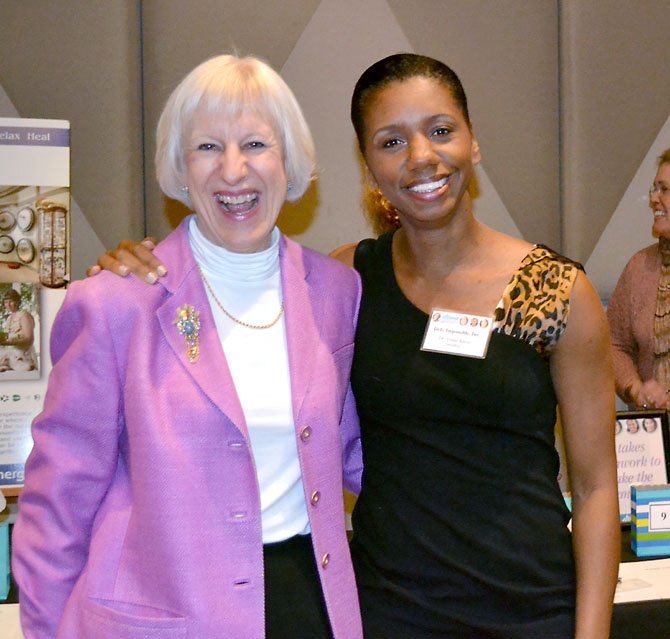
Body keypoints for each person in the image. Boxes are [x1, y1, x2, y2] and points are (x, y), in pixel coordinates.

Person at [92, 53, 620, 638]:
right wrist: (137, 268)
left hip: (531, 609)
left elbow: (596, 487)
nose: (422, 157)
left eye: (441, 131)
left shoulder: (555, 291)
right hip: (388, 610)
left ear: (474, 144)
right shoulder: (346, 284)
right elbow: (229, 300)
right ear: (369, 168)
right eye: (391, 141)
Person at [12, 54, 364, 639]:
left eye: (255, 143)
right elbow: (56, 504)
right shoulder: (114, 303)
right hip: (162, 619)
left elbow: (353, 447)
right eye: (206, 148)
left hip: (307, 605)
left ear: (289, 161)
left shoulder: (334, 292)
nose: (233, 170)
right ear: (179, 167)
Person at [607, 148, 670, 410]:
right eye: (654, 189)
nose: (653, 199)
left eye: (664, 190)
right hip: (652, 441)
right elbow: (613, 345)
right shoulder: (638, 267)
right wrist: (635, 388)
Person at [0, 287, 37, 372]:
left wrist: (8, 342)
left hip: (23, 354)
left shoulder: (24, 315)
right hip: (10, 353)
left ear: (17, 302)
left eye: (11, 301)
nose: (8, 304)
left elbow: (29, 339)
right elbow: (7, 337)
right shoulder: (9, 318)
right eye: (6, 302)